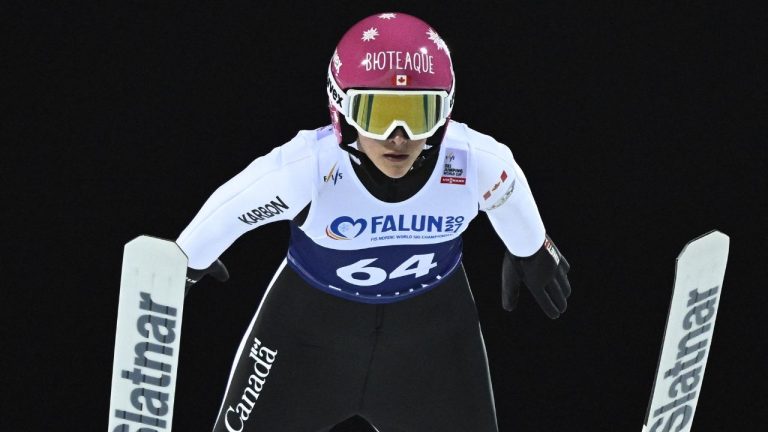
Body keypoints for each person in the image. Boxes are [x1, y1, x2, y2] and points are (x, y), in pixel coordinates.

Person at [178, 12, 572, 432]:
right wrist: (184, 261)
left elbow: (507, 185)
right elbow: (231, 208)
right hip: (304, 339)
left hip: (433, 344)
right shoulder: (306, 168)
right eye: (376, 113)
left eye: (419, 113)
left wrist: (531, 247)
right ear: (341, 111)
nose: (397, 136)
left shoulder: (473, 162)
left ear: (446, 113)